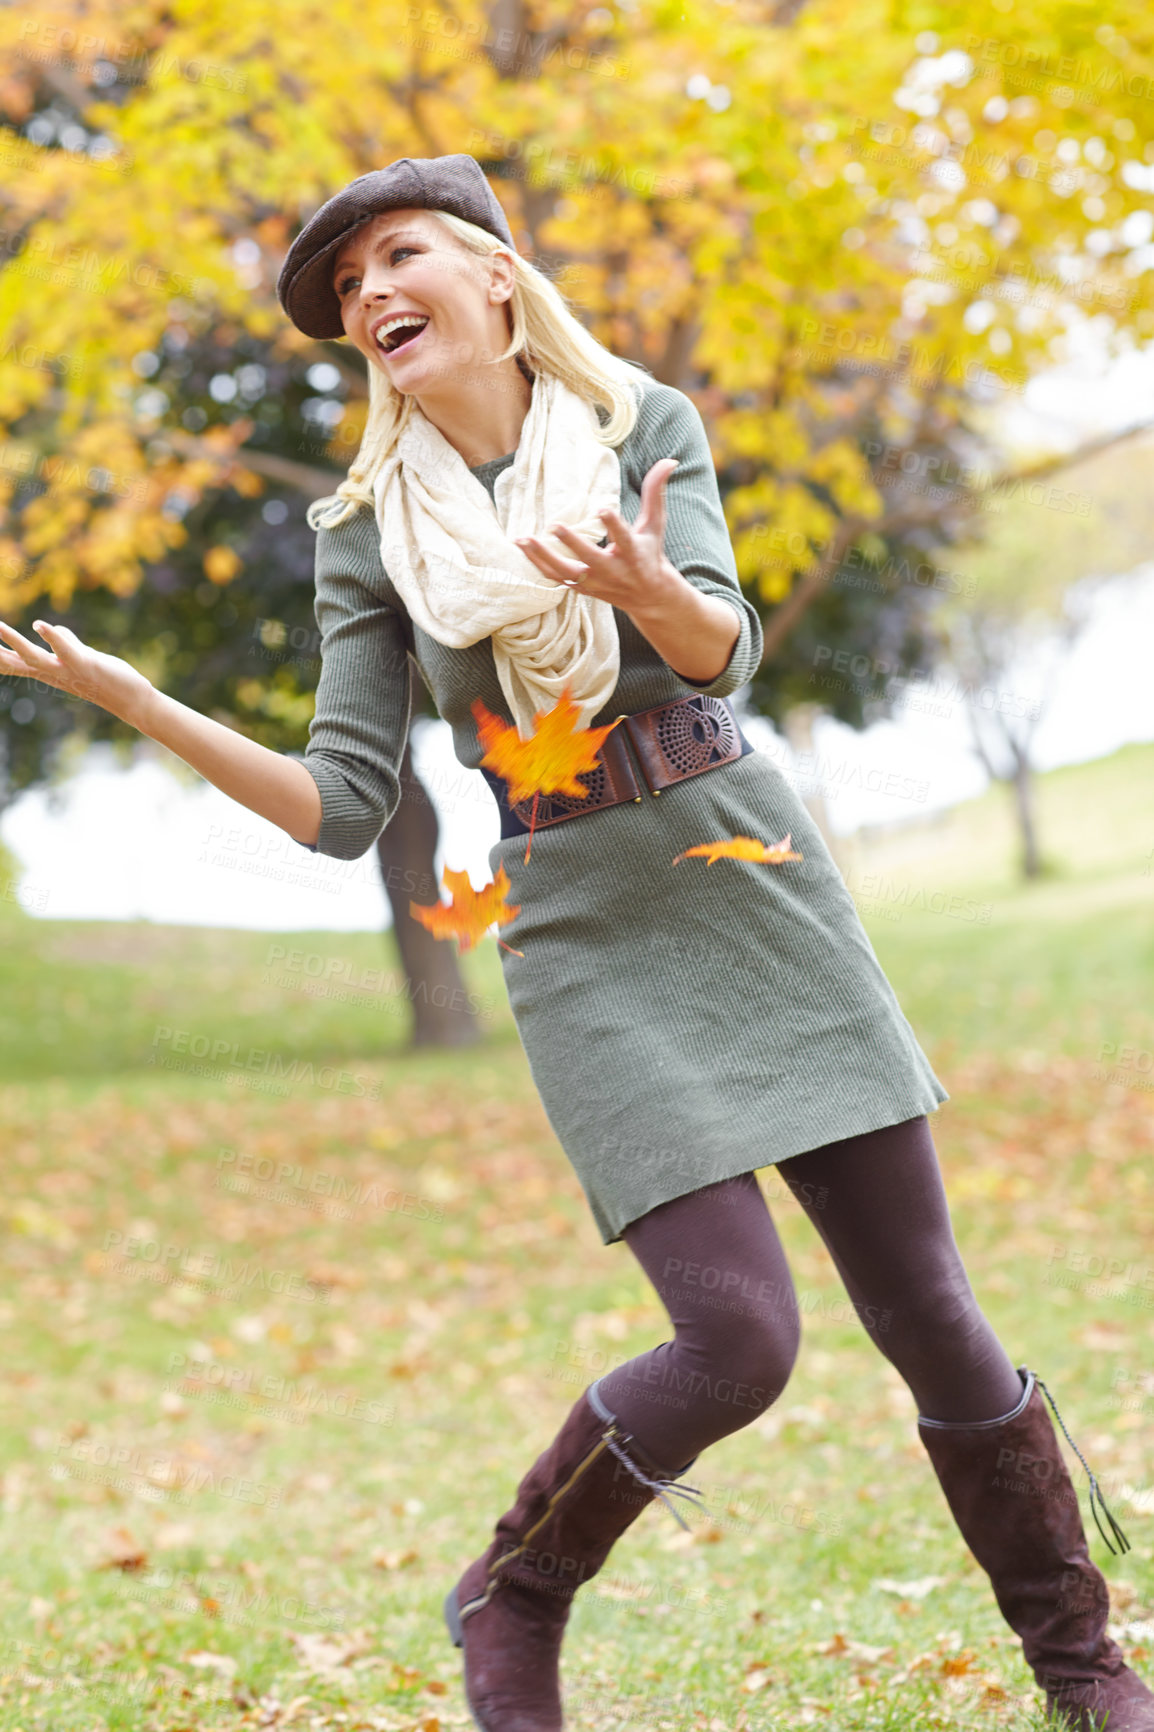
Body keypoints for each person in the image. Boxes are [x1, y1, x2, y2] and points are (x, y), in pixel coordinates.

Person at [1, 154, 1148, 1732]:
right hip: (578, 920)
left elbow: (721, 646)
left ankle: (1082, 1670)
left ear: (487, 274)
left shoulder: (637, 429)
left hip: (742, 870)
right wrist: (146, 707)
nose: (369, 294)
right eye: (345, 290)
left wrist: (643, 587)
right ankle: (513, 1590)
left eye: (397, 256)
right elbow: (340, 807)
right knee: (739, 1337)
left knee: (928, 1310)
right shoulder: (368, 531)